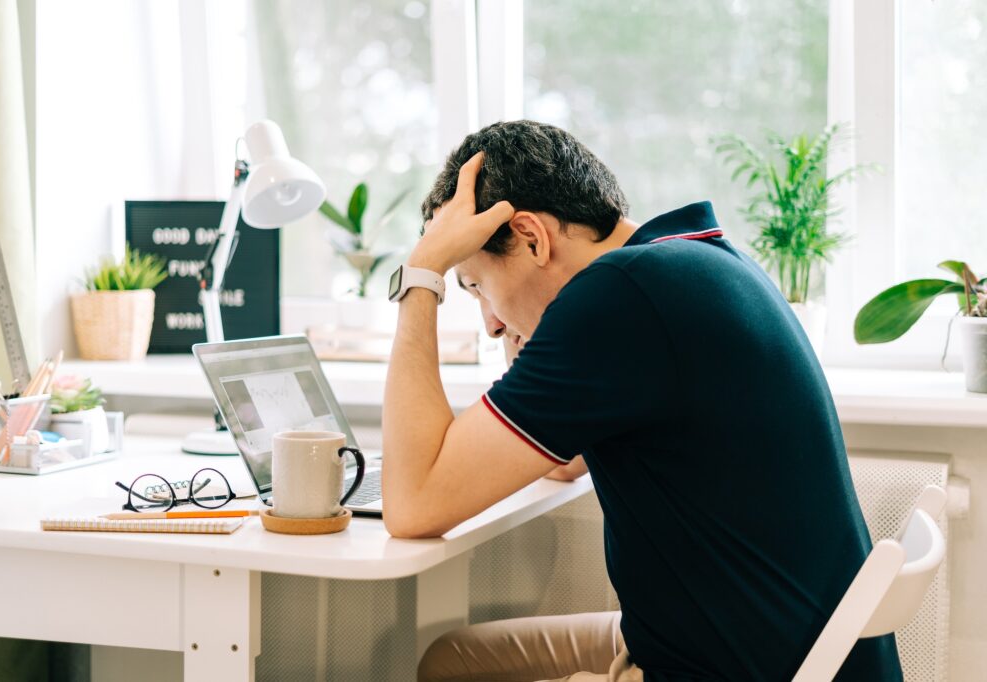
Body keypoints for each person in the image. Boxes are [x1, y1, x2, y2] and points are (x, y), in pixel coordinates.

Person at [381, 120, 902, 681]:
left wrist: (422, 273)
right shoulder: (688, 259)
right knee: (452, 661)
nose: (489, 323)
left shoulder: (620, 297)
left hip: (732, 668)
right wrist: (523, 320)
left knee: (447, 670)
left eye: (476, 285)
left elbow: (413, 506)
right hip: (787, 648)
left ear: (532, 237)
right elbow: (565, 460)